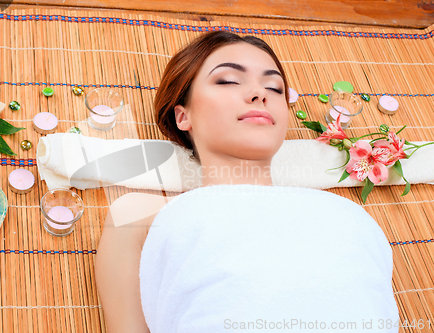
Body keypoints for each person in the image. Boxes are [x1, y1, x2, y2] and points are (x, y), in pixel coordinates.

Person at [95, 31, 399, 332]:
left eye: (274, 87)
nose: (260, 94)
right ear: (182, 116)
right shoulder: (137, 215)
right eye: (228, 80)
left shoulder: (348, 215)